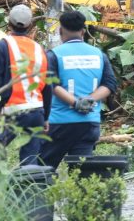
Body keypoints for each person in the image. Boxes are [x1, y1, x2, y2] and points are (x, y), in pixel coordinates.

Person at [40, 10, 117, 169]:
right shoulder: (99, 55)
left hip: (59, 123)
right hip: (88, 123)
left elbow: (51, 84)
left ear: (61, 31)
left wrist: (75, 103)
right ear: (83, 31)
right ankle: (81, 194)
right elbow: (109, 84)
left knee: (43, 168)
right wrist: (89, 100)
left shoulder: (53, 55)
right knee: (82, 171)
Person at [0, 4, 48, 165]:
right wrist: (46, 116)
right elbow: (48, 85)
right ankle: (29, 189)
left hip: (13, 111)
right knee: (30, 161)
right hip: (36, 111)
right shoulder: (39, 48)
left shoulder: (1, 46)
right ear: (30, 26)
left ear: (8, 23)